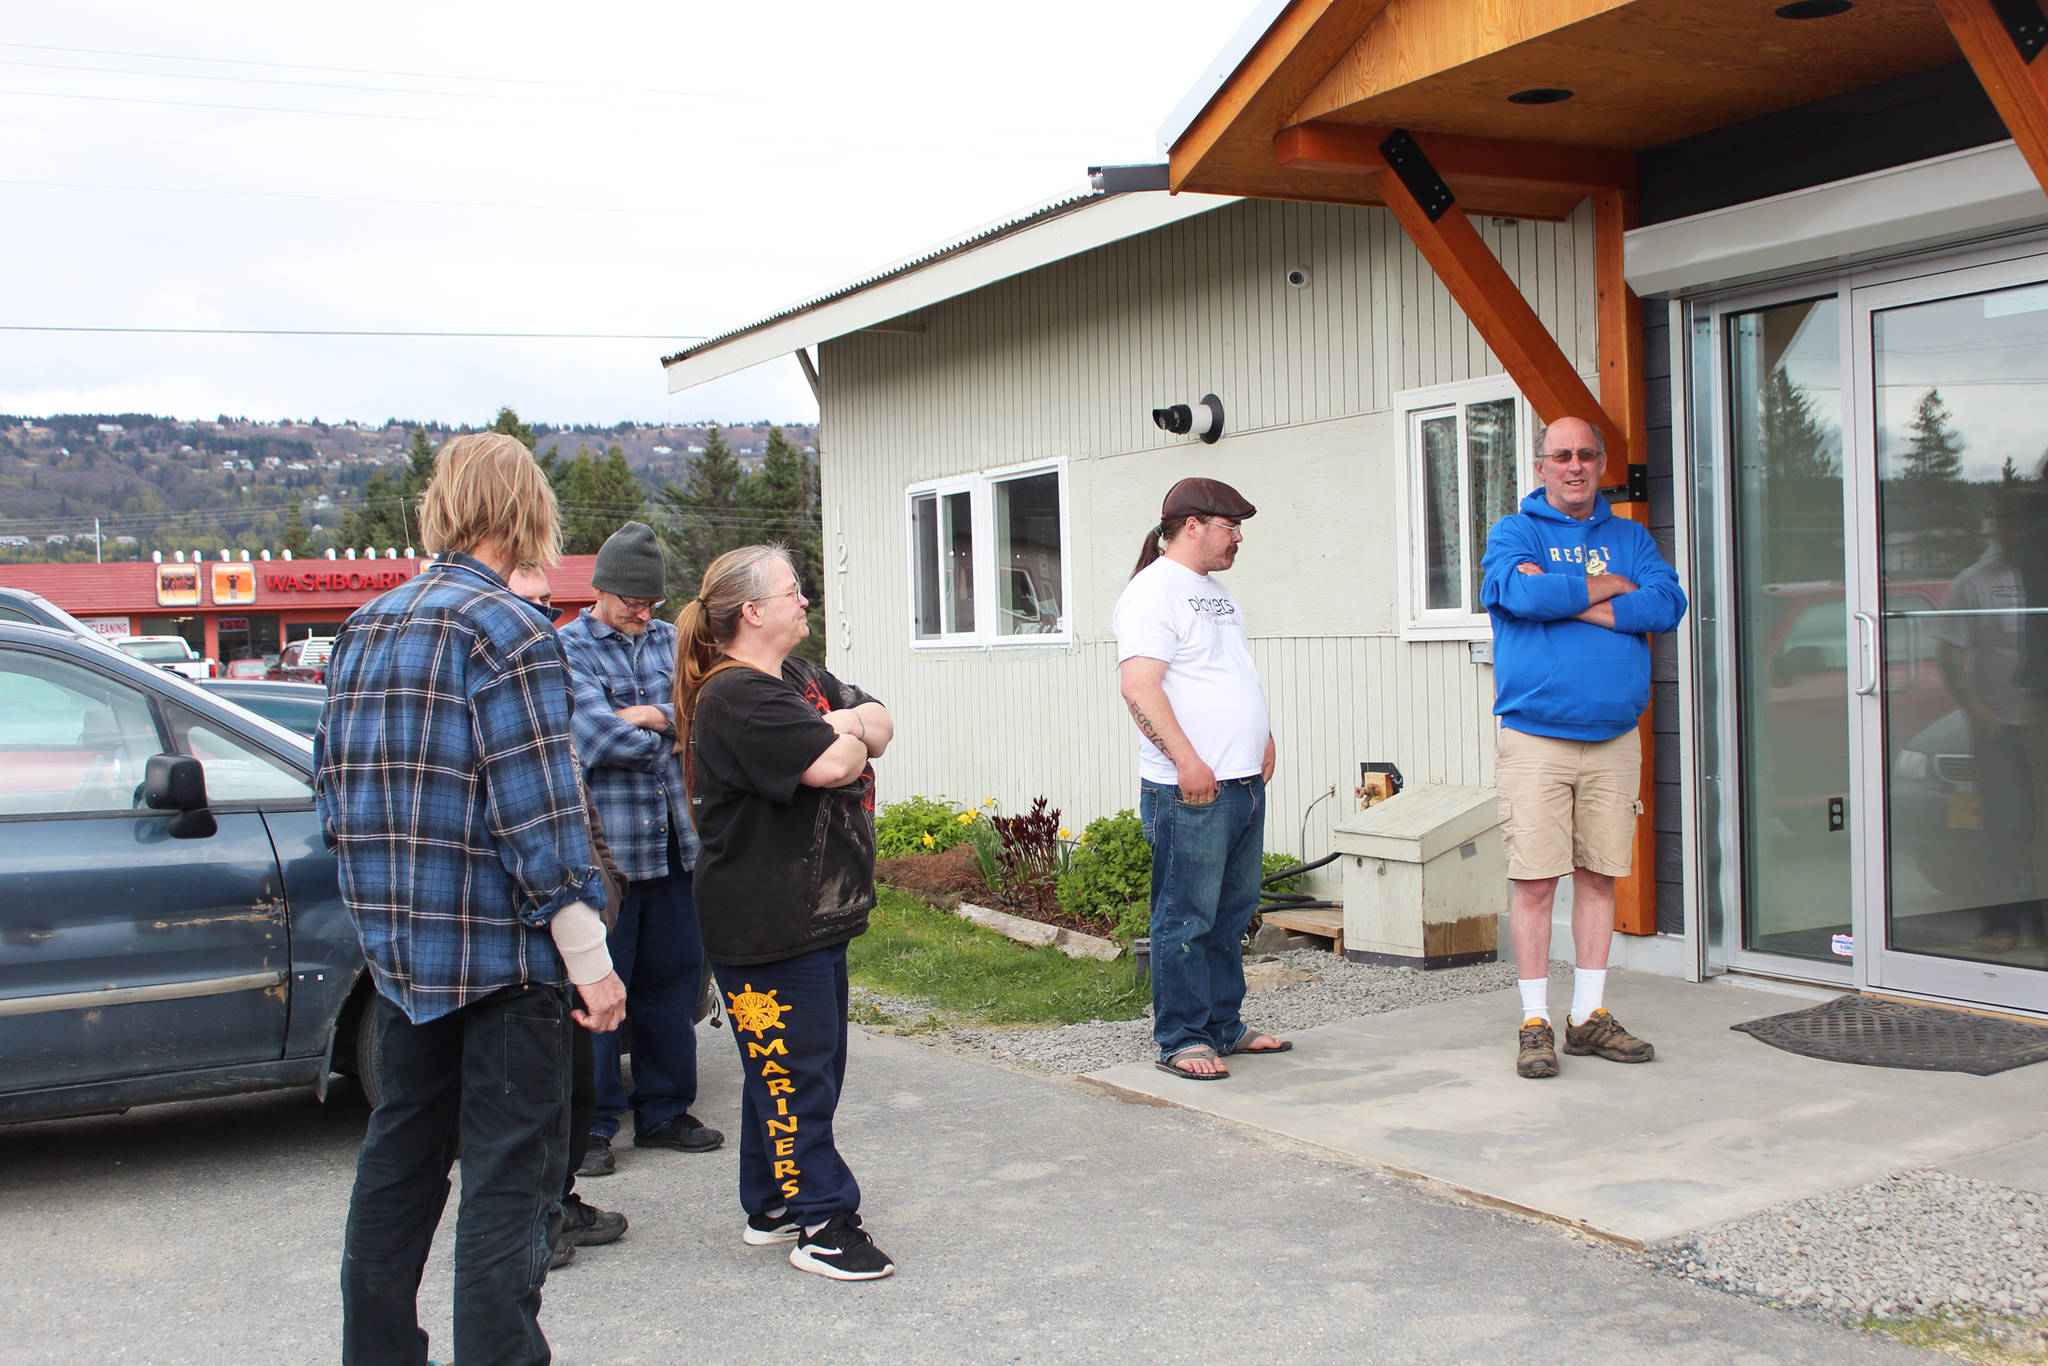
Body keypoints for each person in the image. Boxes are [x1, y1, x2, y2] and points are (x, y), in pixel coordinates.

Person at [316, 433, 626, 1366]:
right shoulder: (512, 631)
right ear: (530, 512)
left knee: (400, 1161)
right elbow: (540, 815)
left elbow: (334, 798)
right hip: (503, 963)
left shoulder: (366, 625)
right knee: (508, 1180)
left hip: (404, 962)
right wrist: (591, 960)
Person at [675, 544, 897, 1281]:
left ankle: (771, 1204)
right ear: (751, 611)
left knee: (793, 1067)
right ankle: (825, 1226)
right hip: (764, 923)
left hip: (811, 915)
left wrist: (846, 723)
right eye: (792, 591)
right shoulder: (735, 695)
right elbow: (834, 765)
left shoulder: (796, 678)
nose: (805, 601)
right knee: (794, 1074)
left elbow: (881, 722)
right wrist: (847, 734)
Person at [1479, 416, 1687, 1080]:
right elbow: (1517, 591)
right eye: (1562, 455)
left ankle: (1588, 1017)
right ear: (1541, 465)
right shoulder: (1516, 533)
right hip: (1536, 738)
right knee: (1536, 882)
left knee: (1599, 877)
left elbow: (1667, 605)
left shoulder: (1630, 538)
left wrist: (1564, 600)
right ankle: (1534, 1022)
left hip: (1613, 739)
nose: (1575, 465)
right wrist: (1610, 587)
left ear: (1600, 465)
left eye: (1587, 455)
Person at [557, 522, 722, 1174]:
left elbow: (705, 720)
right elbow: (595, 740)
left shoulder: (672, 642)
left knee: (672, 987)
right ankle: (593, 1128)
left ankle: (664, 1111)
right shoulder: (565, 648)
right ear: (601, 588)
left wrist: (652, 718)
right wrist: (666, 726)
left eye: (652, 601)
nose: (644, 612)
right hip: (612, 860)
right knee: (602, 993)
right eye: (633, 600)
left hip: (678, 850)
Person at [1113, 476, 1284, 1082]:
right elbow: (1139, 687)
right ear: (1192, 525)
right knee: (1185, 918)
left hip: (1241, 782)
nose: (1237, 538)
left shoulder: (1218, 594)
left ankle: (1222, 1025)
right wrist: (1187, 761)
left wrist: (1260, 737)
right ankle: (1182, 1037)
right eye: (1229, 527)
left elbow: (1228, 672)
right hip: (1190, 790)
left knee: (1232, 912)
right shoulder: (1152, 592)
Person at [508, 563, 631, 1269]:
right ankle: (535, 1226)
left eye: (547, 604)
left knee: (571, 1088)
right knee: (529, 1099)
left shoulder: (545, 692)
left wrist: (608, 886)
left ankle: (559, 1201)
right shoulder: (502, 699)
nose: (541, 618)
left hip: (578, 921)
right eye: (527, 603)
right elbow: (532, 836)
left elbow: (581, 818)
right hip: (528, 941)